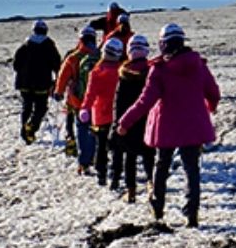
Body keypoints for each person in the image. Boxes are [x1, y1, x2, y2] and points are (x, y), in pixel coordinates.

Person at [117, 24, 219, 227]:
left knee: (162, 166)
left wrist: (124, 122)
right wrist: (209, 107)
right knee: (192, 169)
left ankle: (158, 208)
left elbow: (144, 102)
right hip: (193, 125)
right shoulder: (198, 65)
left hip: (166, 127)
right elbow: (213, 92)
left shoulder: (160, 70)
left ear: (163, 44)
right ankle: (192, 214)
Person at [110, 34, 155, 203]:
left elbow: (119, 102)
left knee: (130, 157)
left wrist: (118, 124)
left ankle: (131, 191)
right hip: (148, 121)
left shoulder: (124, 74)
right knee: (149, 155)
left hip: (128, 123)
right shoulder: (152, 71)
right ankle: (152, 184)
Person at [54, 26, 100, 174]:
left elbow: (63, 77)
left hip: (78, 101)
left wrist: (59, 92)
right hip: (97, 102)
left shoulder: (73, 57)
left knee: (81, 130)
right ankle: (93, 156)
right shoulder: (100, 56)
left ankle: (83, 162)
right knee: (94, 130)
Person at [80, 37, 124, 187]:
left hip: (100, 115)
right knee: (117, 148)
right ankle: (116, 174)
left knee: (101, 146)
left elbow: (90, 94)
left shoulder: (97, 72)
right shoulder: (122, 71)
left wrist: (85, 108)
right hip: (118, 113)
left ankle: (101, 174)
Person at [12, 20, 62, 144]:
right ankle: (32, 127)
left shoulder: (25, 45)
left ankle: (25, 130)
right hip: (42, 84)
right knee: (41, 107)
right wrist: (57, 79)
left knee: (27, 106)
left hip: (24, 83)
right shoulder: (49, 45)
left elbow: (16, 64)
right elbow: (57, 64)